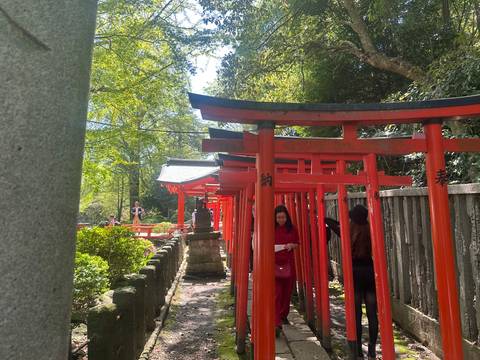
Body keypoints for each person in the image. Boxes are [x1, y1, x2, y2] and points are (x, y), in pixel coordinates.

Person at [326, 205, 378, 359]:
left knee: (356, 314)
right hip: (369, 270)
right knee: (372, 314)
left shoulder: (349, 230)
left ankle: (357, 351)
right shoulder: (370, 229)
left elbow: (334, 225)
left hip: (354, 272)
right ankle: (372, 349)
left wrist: (325, 219)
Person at [274, 205, 299, 337]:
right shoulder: (272, 229)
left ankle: (283, 315)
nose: (281, 219)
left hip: (288, 264)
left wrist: (291, 245)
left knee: (286, 292)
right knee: (276, 293)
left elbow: (297, 243)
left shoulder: (292, 229)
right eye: (278, 217)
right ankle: (276, 322)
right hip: (274, 264)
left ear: (287, 217)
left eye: (283, 217)